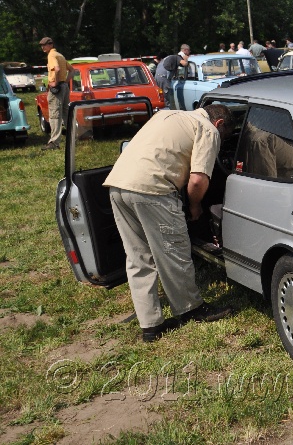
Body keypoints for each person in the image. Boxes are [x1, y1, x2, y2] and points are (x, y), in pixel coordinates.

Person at [103, 104, 235, 342]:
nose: (220, 141)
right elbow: (197, 180)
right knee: (174, 251)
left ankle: (151, 325)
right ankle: (191, 309)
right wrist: (195, 206)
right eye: (223, 137)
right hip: (153, 191)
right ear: (220, 124)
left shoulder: (167, 115)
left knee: (138, 258)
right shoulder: (207, 129)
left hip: (118, 186)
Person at [39, 37, 74, 150]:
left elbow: (57, 69)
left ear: (51, 44)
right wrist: (65, 82)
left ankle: (54, 143)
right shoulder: (60, 55)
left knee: (54, 114)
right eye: (41, 45)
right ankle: (73, 137)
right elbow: (72, 70)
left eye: (45, 44)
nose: (42, 47)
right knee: (66, 113)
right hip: (64, 87)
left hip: (58, 87)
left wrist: (56, 83)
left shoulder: (51, 55)